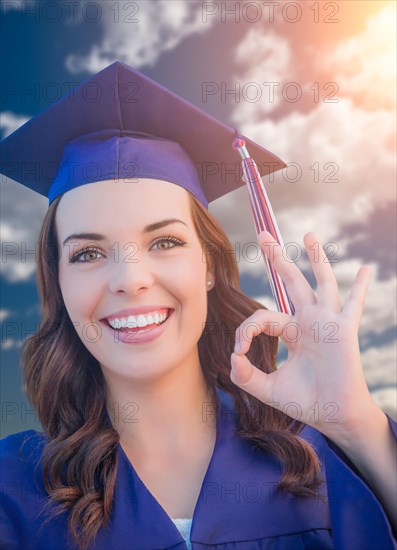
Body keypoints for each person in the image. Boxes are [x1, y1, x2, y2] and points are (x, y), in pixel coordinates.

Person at [0, 61, 396, 550]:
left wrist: (355, 423)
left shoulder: (315, 459)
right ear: (57, 283)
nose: (131, 280)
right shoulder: (13, 493)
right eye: (88, 253)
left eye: (164, 242)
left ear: (208, 264)